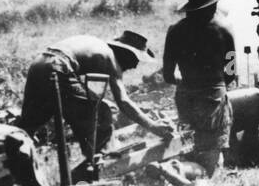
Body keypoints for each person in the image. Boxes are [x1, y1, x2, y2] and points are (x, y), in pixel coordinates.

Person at [15, 31, 173, 158]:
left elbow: (86, 90)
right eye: (136, 59)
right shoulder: (110, 57)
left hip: (38, 64)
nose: (135, 66)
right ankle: (101, 163)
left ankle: (12, 162)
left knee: (29, 124)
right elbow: (123, 101)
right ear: (127, 54)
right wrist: (153, 126)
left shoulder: (97, 48)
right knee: (102, 112)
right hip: (59, 67)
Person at [163, 0, 237, 174]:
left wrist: (187, 82)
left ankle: (185, 178)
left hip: (186, 97)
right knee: (210, 151)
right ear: (212, 5)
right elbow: (231, 72)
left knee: (188, 147)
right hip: (213, 100)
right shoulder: (225, 31)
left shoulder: (175, 31)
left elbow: (168, 75)